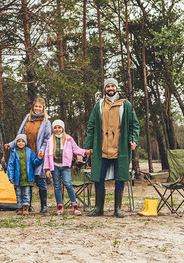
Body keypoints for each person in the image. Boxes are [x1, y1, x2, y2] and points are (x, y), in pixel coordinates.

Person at [84, 78, 139, 218]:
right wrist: (88, 146)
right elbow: (91, 126)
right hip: (101, 148)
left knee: (120, 177)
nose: (110, 88)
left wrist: (134, 140)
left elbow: (134, 125)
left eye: (112, 86)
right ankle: (98, 208)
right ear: (104, 89)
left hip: (119, 148)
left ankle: (117, 209)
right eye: (107, 86)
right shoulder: (99, 104)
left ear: (116, 88)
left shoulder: (125, 105)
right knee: (98, 177)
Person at [5, 98, 51, 213]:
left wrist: (42, 150)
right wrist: (11, 144)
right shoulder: (27, 118)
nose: (37, 109)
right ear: (33, 107)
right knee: (26, 180)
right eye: (36, 106)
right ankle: (27, 206)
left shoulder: (46, 121)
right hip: (24, 153)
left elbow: (47, 139)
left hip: (38, 153)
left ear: (43, 108)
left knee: (40, 180)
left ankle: (43, 206)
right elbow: (20, 134)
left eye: (40, 107)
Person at [43, 119, 86, 215]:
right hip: (55, 166)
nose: (57, 129)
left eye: (59, 127)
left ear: (62, 128)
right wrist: (47, 169)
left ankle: (74, 205)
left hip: (65, 166)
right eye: (55, 127)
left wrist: (85, 152)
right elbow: (46, 155)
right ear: (53, 129)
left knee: (68, 183)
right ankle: (60, 206)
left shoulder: (68, 138)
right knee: (57, 186)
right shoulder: (50, 140)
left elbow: (75, 149)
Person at [7, 134, 43, 215]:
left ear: (25, 143)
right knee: (18, 194)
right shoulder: (14, 152)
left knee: (26, 194)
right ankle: (19, 208)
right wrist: (11, 176)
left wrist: (39, 159)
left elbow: (34, 162)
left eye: (22, 141)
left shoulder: (29, 151)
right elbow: (10, 165)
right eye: (19, 141)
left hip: (27, 177)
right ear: (16, 143)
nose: (20, 143)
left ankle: (26, 208)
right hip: (18, 178)